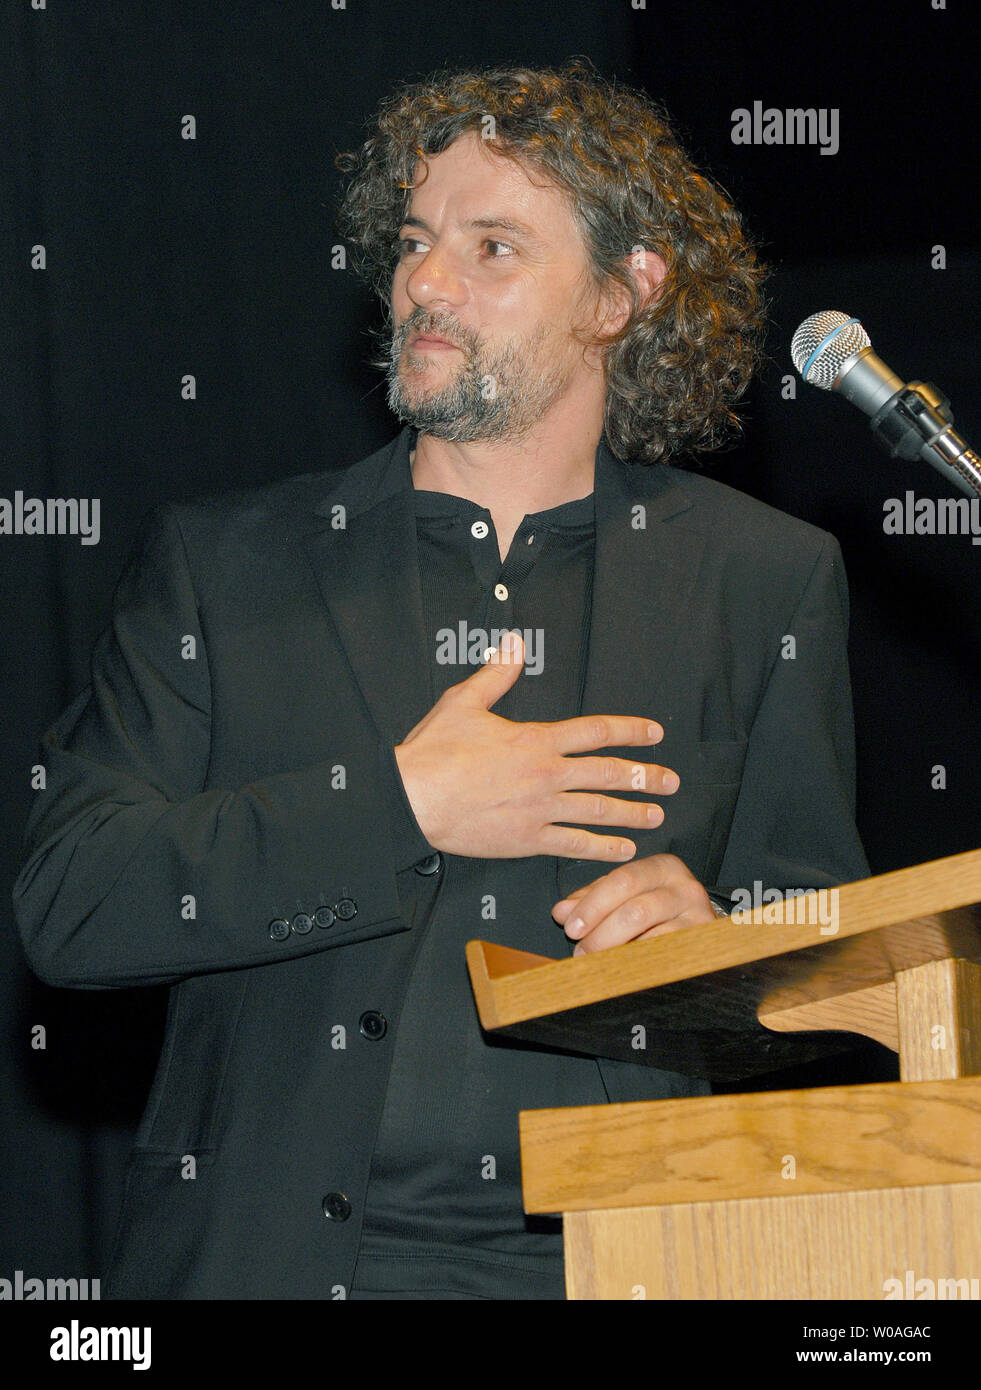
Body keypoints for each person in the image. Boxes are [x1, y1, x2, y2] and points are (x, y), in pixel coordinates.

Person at [12, 59, 869, 1300]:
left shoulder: (762, 577)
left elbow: (833, 984)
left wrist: (725, 962)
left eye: (493, 246)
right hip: (275, 1267)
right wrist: (400, 805)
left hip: (628, 1264)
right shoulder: (224, 566)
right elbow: (71, 902)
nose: (425, 279)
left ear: (622, 296)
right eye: (414, 240)